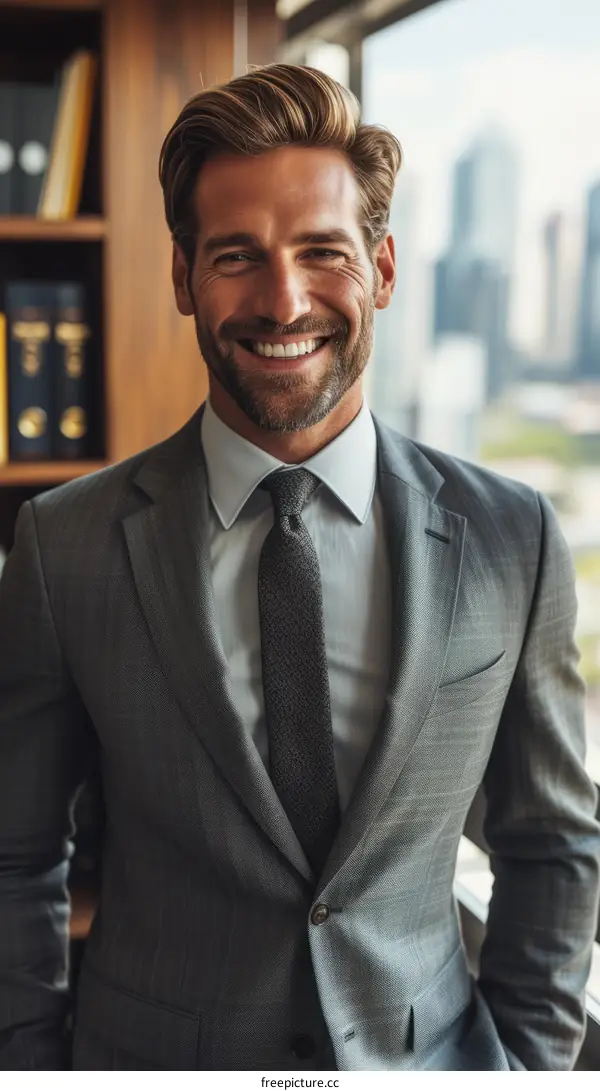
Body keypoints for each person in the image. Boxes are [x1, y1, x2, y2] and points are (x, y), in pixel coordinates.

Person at [0, 63, 599, 1074]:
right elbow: (15, 857)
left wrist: (532, 1065)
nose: (284, 300)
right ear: (184, 276)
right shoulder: (65, 547)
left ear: (385, 270)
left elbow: (552, 844)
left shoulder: (514, 538)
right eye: (238, 255)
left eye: (323, 251)